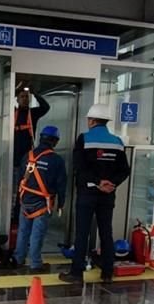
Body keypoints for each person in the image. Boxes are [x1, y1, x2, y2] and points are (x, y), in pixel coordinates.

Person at [59, 103, 130, 284]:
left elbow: (79, 167)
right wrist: (111, 183)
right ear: (106, 121)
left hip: (87, 193)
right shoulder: (118, 142)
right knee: (106, 232)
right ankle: (107, 273)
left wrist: (98, 182)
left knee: (82, 233)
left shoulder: (84, 139)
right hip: (108, 195)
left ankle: (76, 273)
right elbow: (125, 170)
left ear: (91, 121)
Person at [13, 126, 67, 272]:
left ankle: (18, 258)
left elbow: (20, 177)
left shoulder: (28, 155)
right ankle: (35, 263)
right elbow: (61, 184)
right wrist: (61, 203)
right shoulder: (56, 160)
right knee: (37, 234)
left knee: (23, 231)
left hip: (25, 200)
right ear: (55, 141)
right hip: (43, 203)